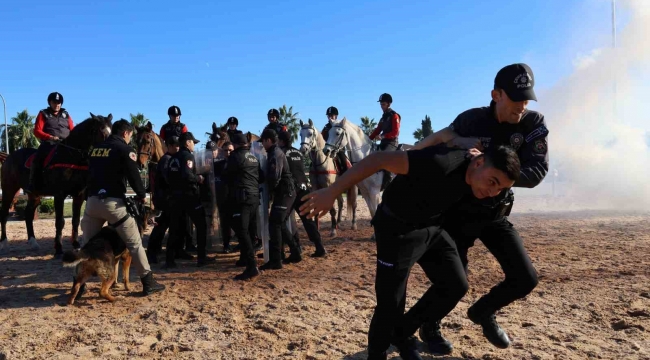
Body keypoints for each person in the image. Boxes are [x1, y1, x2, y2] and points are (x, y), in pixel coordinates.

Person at [299, 145, 521, 360]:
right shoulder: (438, 162)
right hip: (397, 231)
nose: (493, 192)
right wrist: (332, 191)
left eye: (500, 188)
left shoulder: (477, 170)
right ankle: (377, 355)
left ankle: (402, 334)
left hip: (431, 228)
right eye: (492, 182)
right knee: (391, 302)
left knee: (456, 284)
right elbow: (379, 159)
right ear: (479, 163)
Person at [412, 63, 547, 353]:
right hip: (459, 213)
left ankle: (483, 311)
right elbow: (437, 140)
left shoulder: (532, 124)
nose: (522, 106)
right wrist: (453, 144)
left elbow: (536, 172)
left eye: (527, 98)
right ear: (496, 94)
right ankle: (427, 325)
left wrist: (493, 174)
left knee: (526, 278)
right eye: (516, 98)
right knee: (451, 281)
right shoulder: (472, 120)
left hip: (495, 213)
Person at [81, 119, 165, 296]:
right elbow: (133, 176)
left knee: (87, 246)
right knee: (135, 243)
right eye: (130, 137)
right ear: (126, 133)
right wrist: (142, 194)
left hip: (92, 202)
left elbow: (88, 175)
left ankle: (79, 284)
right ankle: (148, 282)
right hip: (113, 204)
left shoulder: (96, 149)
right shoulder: (125, 150)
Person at [166, 132, 216, 267]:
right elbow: (187, 175)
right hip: (189, 196)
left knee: (174, 228)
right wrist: (198, 178)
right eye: (193, 142)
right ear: (187, 142)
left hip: (175, 197)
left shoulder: (172, 158)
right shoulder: (188, 157)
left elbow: (169, 177)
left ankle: (169, 260)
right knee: (201, 225)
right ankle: (201, 258)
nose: (194, 144)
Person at [222, 133, 264, 280]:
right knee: (250, 231)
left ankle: (252, 267)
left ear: (237, 144)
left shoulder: (235, 156)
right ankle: (247, 260)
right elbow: (261, 176)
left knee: (242, 231)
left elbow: (226, 175)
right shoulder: (253, 157)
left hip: (241, 198)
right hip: (254, 197)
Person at [278, 130, 326, 257]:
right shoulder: (298, 152)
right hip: (304, 189)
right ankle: (319, 247)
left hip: (292, 190)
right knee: (308, 220)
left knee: (280, 221)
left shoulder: (281, 153)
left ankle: (294, 249)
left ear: (281, 141)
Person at [259, 129, 301, 270]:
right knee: (280, 223)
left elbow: (275, 177)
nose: (262, 145)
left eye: (263, 142)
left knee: (275, 224)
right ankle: (295, 252)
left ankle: (276, 260)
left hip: (284, 192)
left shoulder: (275, 154)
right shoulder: (274, 152)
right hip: (286, 192)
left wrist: (269, 193)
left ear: (268, 140)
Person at [27, 92, 75, 193]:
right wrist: (50, 137)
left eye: (59, 103)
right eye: (54, 102)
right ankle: (33, 184)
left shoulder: (66, 114)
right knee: (37, 158)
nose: (57, 105)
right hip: (49, 144)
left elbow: (73, 130)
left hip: (66, 145)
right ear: (50, 102)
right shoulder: (43, 113)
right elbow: (37, 131)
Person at [208, 140, 234, 253]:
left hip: (237, 199)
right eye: (226, 150)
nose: (228, 153)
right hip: (223, 199)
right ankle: (226, 244)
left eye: (230, 150)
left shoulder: (240, 162)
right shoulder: (217, 165)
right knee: (225, 223)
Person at [320, 106, 351, 174]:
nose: (330, 117)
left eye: (331, 115)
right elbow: (321, 137)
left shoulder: (339, 125)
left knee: (342, 160)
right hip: (327, 148)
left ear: (336, 116)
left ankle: (345, 174)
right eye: (328, 116)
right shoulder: (326, 127)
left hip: (338, 149)